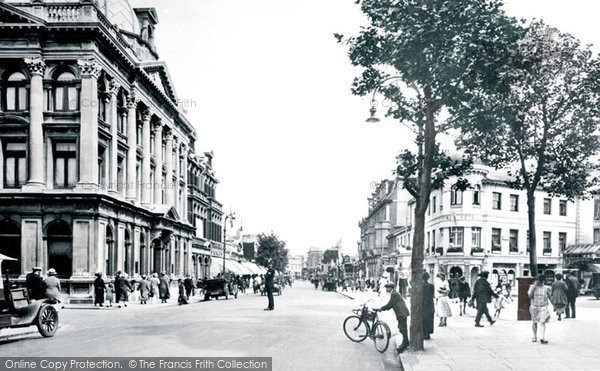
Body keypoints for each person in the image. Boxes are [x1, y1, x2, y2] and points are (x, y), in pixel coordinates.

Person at [375, 282, 410, 353]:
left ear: (391, 288)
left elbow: (390, 304)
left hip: (401, 313)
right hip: (402, 313)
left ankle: (405, 344)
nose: (386, 289)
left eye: (387, 288)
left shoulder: (394, 294)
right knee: (402, 328)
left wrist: (381, 309)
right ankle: (406, 342)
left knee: (403, 329)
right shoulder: (394, 293)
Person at [529, 274, 552, 344]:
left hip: (543, 307)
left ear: (542, 281)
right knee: (534, 322)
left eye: (538, 280)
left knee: (542, 322)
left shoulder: (546, 288)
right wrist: (533, 288)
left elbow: (550, 297)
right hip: (534, 306)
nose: (536, 281)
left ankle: (542, 337)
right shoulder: (532, 287)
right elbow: (529, 296)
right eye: (536, 280)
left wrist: (555, 306)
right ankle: (534, 336)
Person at [422, 272, 435, 340]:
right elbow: (432, 295)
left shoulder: (421, 286)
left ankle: (424, 333)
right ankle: (428, 333)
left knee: (424, 319)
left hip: (423, 305)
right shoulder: (431, 286)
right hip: (430, 304)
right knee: (429, 319)